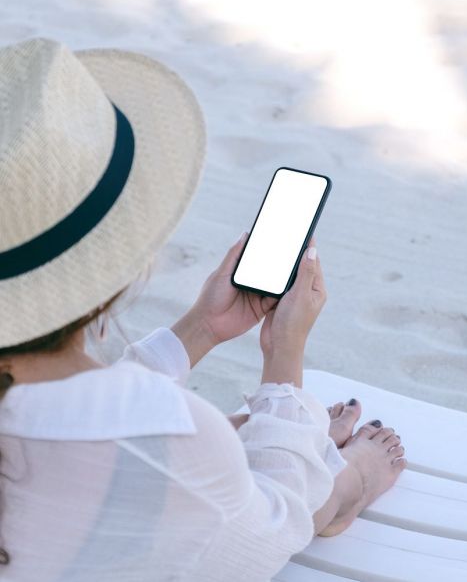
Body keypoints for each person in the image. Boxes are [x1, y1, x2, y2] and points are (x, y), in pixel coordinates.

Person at [0, 38, 407, 582]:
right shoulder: (174, 433)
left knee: (208, 453)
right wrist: (284, 363)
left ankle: (286, 443)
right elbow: (270, 533)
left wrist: (199, 330)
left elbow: (69, 414)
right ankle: (346, 484)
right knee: (278, 479)